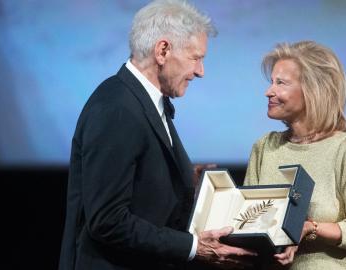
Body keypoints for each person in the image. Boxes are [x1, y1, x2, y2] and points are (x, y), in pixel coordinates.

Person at [58, 1, 256, 269]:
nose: (200, 71)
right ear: (163, 50)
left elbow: (135, 179)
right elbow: (107, 220)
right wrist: (195, 247)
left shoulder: (143, 101)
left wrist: (178, 179)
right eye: (196, 58)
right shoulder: (116, 109)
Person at [244, 41, 346, 270]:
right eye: (271, 82)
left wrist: (310, 228)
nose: (268, 91)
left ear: (313, 89)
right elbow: (247, 223)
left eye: (281, 83)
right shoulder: (265, 147)